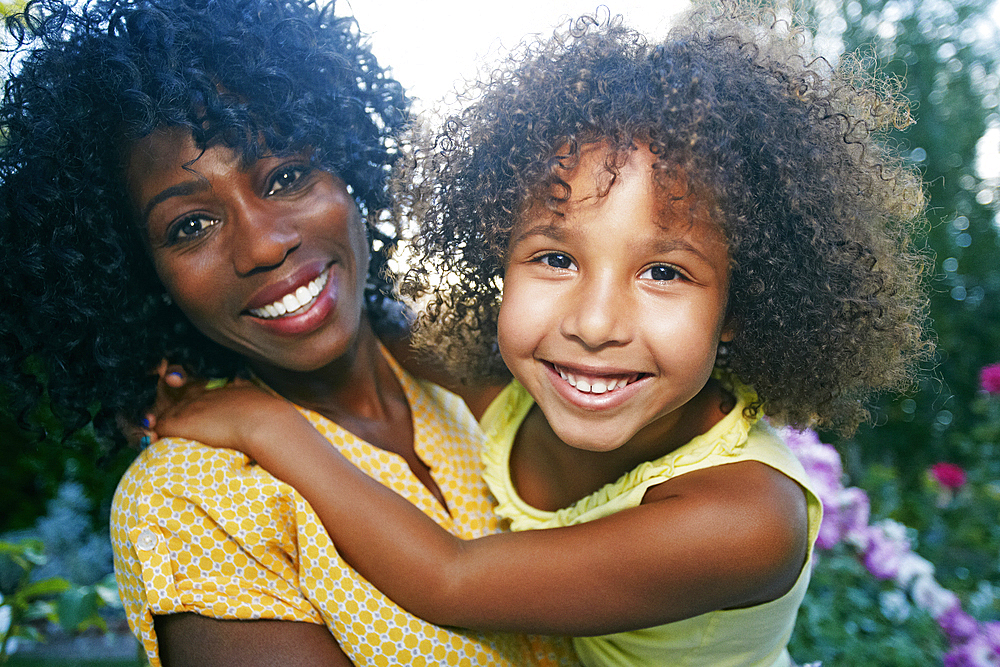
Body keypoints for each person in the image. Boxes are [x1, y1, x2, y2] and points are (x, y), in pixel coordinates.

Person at [147, 2, 932, 666]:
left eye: (664, 272)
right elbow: (368, 328)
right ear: (497, 257)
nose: (592, 325)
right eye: (555, 257)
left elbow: (450, 579)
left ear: (740, 311)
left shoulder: (747, 518)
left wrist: (263, 424)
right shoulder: (507, 378)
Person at [0, 0, 583, 665]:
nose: (263, 245)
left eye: (286, 175)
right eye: (190, 225)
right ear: (138, 274)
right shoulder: (191, 497)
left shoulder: (466, 388)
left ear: (347, 168)